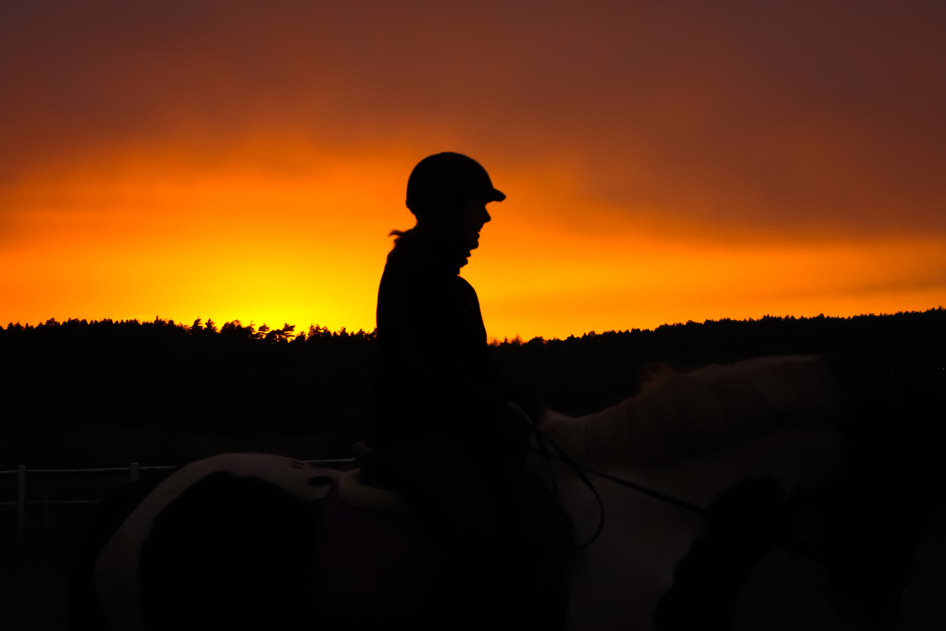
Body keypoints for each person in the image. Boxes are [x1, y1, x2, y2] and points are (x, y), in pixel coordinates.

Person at [358, 152, 546, 623]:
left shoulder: (449, 284)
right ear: (447, 209)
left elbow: (477, 372)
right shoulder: (415, 277)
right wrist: (495, 407)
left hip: (447, 435)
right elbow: (427, 375)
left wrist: (529, 406)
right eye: (477, 206)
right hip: (417, 440)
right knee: (481, 533)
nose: (485, 217)